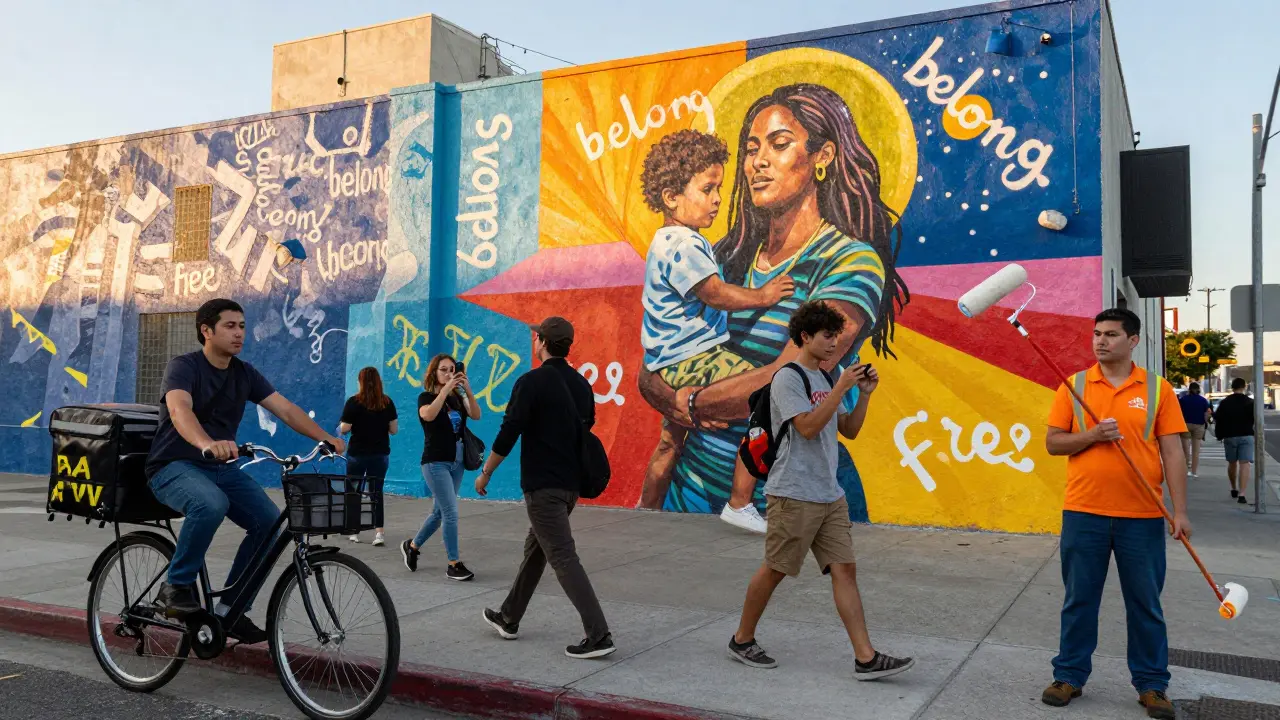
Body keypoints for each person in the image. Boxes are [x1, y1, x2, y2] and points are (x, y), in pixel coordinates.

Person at [636, 83, 908, 530]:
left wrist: (689, 402)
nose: (758, 161)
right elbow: (656, 366)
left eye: (779, 145)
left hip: (782, 504)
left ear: (822, 157)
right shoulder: (722, 258)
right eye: (750, 149)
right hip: (687, 498)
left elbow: (791, 376)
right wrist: (677, 397)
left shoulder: (849, 262)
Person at [727, 301, 914, 680]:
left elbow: (848, 430)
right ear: (805, 337)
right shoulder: (788, 378)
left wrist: (862, 394)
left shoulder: (826, 379)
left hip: (829, 494)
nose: (834, 343)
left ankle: (866, 658)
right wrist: (841, 385)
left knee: (845, 570)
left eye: (836, 335)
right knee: (776, 569)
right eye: (827, 336)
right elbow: (808, 427)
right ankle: (742, 639)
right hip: (793, 492)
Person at [145, 298, 347, 644]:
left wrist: (326, 438)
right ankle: (175, 586)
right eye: (229, 326)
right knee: (210, 505)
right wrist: (206, 442)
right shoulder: (184, 367)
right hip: (173, 466)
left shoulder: (244, 373)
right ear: (206, 331)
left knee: (269, 523)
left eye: (242, 326)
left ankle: (230, 611)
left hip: (220, 468)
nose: (239, 333)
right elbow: (179, 410)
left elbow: (285, 409)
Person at [635, 129, 794, 525]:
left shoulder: (666, 241)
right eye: (708, 189)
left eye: (719, 189)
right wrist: (765, 296)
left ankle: (646, 512)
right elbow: (715, 293)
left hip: (669, 361)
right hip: (695, 359)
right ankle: (740, 502)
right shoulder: (683, 244)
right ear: (672, 197)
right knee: (771, 401)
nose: (718, 199)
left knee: (669, 444)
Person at [1040, 308, 1188, 720]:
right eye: (1096, 334)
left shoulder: (1158, 390)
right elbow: (1054, 444)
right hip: (1084, 513)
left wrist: (1180, 511)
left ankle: (1153, 685)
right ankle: (1069, 676)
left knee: (1145, 604)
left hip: (1141, 516)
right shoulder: (1075, 386)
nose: (1100, 341)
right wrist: (1092, 435)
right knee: (1079, 600)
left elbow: (1172, 451)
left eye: (1110, 335)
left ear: (1133, 340)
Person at [477, 317, 615, 660]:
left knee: (563, 558)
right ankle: (509, 617)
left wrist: (485, 473)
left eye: (535, 337)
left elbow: (509, 431)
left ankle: (599, 635)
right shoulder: (582, 385)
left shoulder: (532, 382)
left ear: (540, 342)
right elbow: (587, 427)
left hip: (543, 488)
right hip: (569, 487)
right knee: (536, 550)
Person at [401, 354, 480, 581]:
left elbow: (475, 414)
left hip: (457, 461)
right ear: (434, 373)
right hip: (435, 462)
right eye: (443, 370)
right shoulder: (425, 397)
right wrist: (445, 391)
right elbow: (428, 415)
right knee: (450, 512)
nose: (448, 373)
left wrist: (467, 389)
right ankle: (453, 563)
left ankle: (413, 546)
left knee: (438, 512)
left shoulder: (457, 398)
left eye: (451, 369)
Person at [339, 366, 398, 546]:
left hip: (357, 453)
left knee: (353, 491)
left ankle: (354, 530)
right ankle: (378, 533)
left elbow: (344, 428)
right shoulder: (387, 402)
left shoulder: (353, 402)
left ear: (360, 382)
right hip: (380, 454)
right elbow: (394, 430)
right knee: (376, 492)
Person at [1214, 378, 1255, 505]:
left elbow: (1218, 419)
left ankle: (1233, 488)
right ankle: (1242, 494)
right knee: (1245, 463)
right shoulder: (1250, 402)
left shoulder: (1225, 402)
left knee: (1232, 463)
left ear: (1232, 387)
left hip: (1230, 436)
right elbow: (1256, 418)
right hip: (1246, 435)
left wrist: (1219, 435)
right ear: (1244, 387)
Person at [1176, 382, 1211, 478]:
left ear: (1189, 389)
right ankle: (1194, 472)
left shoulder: (1183, 400)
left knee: (1185, 450)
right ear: (1198, 389)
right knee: (1196, 450)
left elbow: (1178, 412)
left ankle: (1186, 469)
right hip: (1199, 425)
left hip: (1185, 425)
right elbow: (1207, 413)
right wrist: (1206, 423)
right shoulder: (1203, 400)